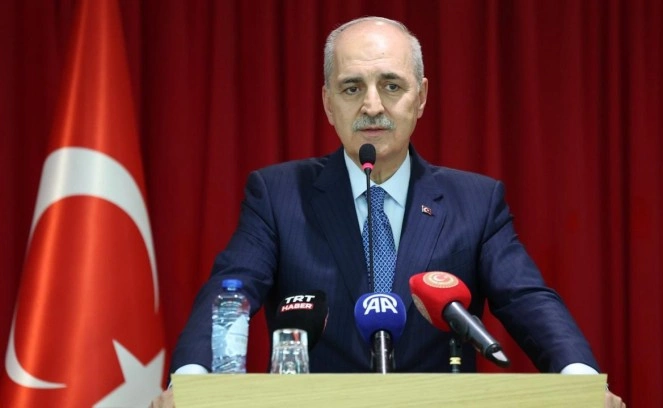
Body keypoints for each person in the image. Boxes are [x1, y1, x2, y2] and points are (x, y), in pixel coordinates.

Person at [152, 16, 625, 407]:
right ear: (328, 103)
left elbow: (526, 299)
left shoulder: (475, 202)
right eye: (352, 88)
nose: (372, 105)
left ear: (421, 97)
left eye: (391, 85)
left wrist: (580, 381)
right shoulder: (278, 195)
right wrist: (191, 381)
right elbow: (231, 289)